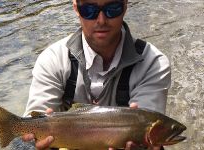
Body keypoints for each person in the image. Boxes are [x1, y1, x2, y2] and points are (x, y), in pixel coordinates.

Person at [22, 0, 171, 149]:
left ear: (125, 6)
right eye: (89, 9)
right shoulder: (52, 59)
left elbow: (152, 133)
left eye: (112, 8)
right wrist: (33, 141)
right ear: (76, 9)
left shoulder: (153, 63)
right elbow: (32, 122)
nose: (101, 20)